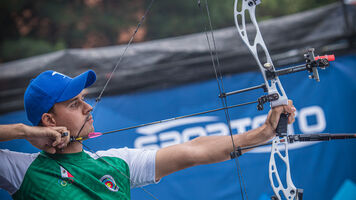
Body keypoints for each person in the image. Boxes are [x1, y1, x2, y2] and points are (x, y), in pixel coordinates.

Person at [0, 70, 296, 200]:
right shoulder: (23, 172)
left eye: (84, 99)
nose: (88, 108)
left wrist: (263, 132)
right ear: (49, 120)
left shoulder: (114, 163)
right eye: (75, 104)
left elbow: (193, 151)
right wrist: (24, 132)